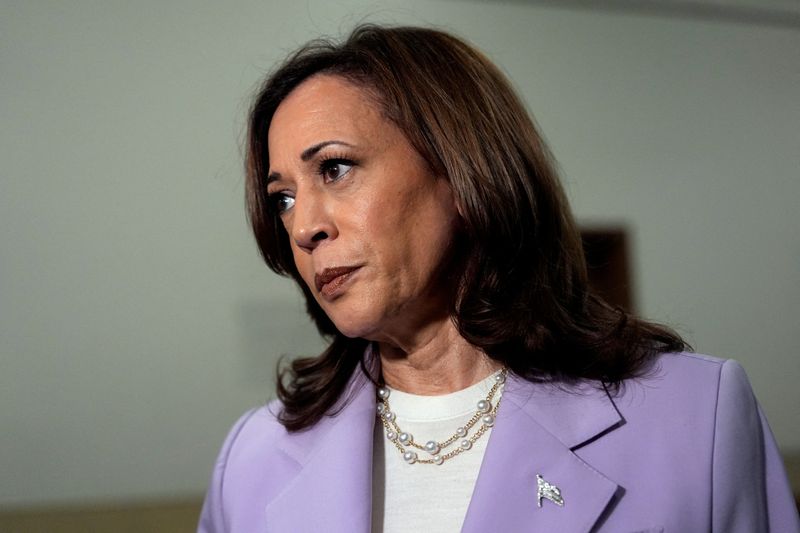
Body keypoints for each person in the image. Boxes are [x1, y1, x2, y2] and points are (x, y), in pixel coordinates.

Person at [198, 25, 799, 532]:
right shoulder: (251, 459)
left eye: (335, 168)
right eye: (282, 199)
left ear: (461, 170)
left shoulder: (698, 416)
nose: (303, 226)